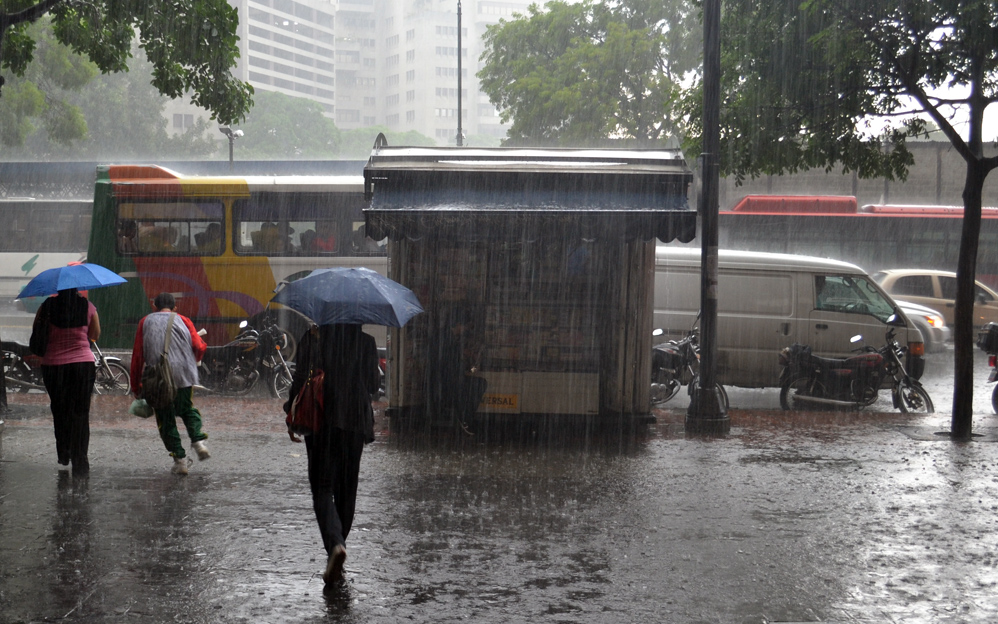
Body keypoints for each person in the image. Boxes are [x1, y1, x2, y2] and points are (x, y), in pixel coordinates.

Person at [283, 323, 379, 585]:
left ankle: (335, 545)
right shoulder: (366, 342)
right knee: (347, 490)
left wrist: (290, 411)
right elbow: (373, 384)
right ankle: (338, 548)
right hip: (355, 421)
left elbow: (300, 378)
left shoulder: (313, 337)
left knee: (322, 488)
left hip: (321, 417)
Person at [130, 293, 210, 475]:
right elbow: (199, 346)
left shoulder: (145, 322)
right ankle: (198, 441)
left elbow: (138, 355)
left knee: (165, 418)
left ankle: (180, 460)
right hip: (183, 374)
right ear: (174, 308)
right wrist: (193, 359)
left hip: (158, 377)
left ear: (154, 306)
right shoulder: (184, 320)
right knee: (186, 409)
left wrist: (136, 386)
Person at [31, 288, 100, 475]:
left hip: (54, 366)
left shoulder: (47, 307)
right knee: (81, 412)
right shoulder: (88, 307)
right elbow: (95, 333)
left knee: (60, 409)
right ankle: (80, 459)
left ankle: (64, 452)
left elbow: (37, 331)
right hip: (82, 365)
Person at [427, 307, 488, 427]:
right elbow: (451, 364)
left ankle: (464, 416)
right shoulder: (447, 339)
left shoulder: (444, 336)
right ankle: (465, 417)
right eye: (466, 326)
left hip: (443, 380)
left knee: (475, 384)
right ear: (459, 324)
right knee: (479, 384)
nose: (466, 329)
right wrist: (468, 368)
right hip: (446, 383)